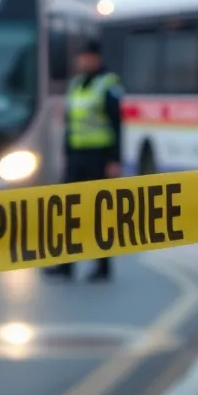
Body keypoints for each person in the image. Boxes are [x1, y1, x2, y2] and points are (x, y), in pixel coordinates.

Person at [47, 38, 123, 282]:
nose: (83, 61)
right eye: (81, 57)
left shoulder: (108, 84)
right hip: (76, 157)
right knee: (67, 212)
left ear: (97, 58)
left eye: (87, 57)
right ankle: (65, 264)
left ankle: (102, 267)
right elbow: (71, 123)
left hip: (99, 157)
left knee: (100, 213)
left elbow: (117, 125)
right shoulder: (77, 84)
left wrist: (115, 160)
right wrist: (65, 152)